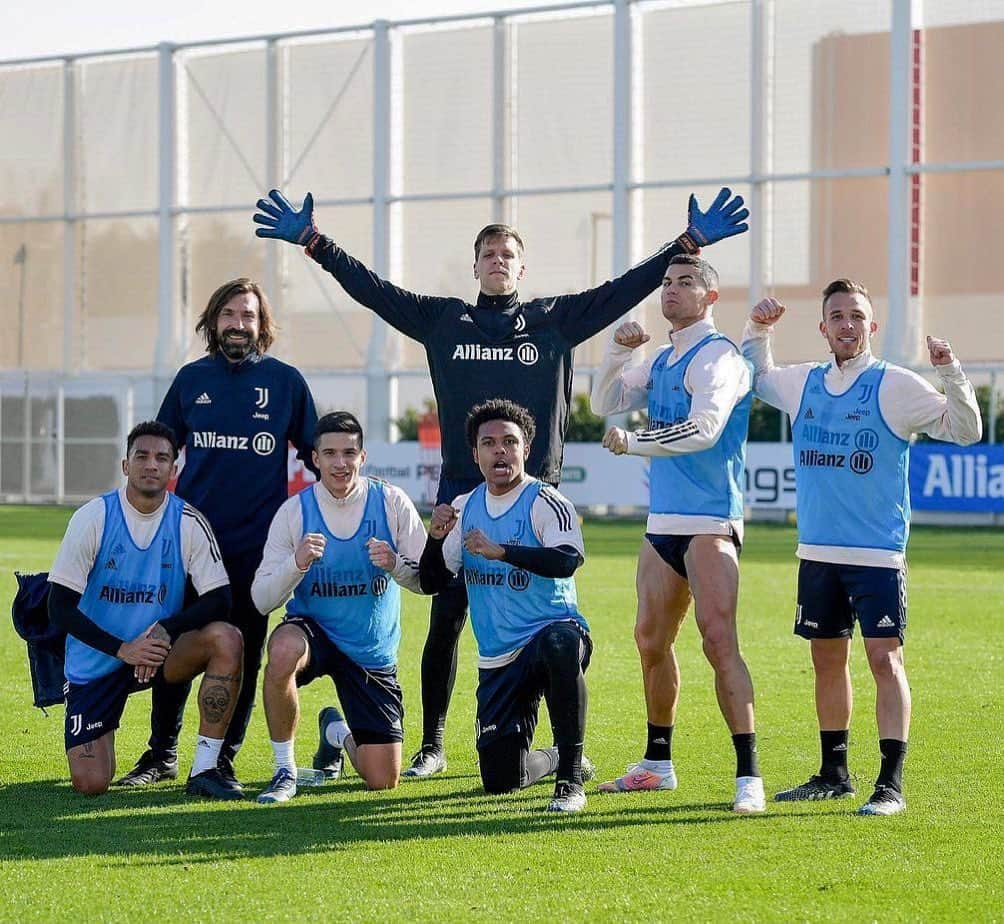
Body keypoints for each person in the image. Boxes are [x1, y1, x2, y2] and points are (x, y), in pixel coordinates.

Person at [253, 186, 748, 779]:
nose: (496, 259)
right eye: (487, 252)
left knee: (539, 622)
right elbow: (374, 291)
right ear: (476, 266)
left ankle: (536, 745)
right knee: (446, 618)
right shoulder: (443, 320)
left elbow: (624, 288)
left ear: (521, 266)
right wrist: (315, 242)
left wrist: (686, 244)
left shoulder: (553, 321)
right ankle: (433, 744)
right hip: (462, 500)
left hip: (534, 500)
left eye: (506, 252)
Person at [740, 280, 982, 816]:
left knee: (884, 659)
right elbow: (755, 378)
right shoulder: (805, 382)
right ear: (823, 327)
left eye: (856, 316)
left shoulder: (895, 385)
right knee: (827, 659)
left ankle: (890, 783)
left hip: (876, 554)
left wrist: (951, 372)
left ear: (871, 327)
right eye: (836, 316)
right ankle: (833, 773)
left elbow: (965, 431)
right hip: (818, 553)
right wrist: (758, 329)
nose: (847, 325)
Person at [117, 278, 318, 795]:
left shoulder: (285, 382)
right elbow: (157, 451)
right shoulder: (190, 381)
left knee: (245, 649)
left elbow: (319, 454)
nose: (238, 323)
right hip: (188, 545)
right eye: (228, 314)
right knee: (175, 642)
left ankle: (221, 757)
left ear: (262, 325)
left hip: (257, 546)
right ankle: (161, 752)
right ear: (213, 321)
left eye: (248, 315)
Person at [591, 253, 765, 814]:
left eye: (686, 282)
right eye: (667, 282)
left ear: (710, 298)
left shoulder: (720, 359)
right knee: (649, 642)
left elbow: (706, 430)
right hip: (662, 523)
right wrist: (617, 352)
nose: (671, 290)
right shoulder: (664, 358)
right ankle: (658, 764)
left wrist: (636, 442)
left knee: (719, 643)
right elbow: (603, 403)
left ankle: (748, 776)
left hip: (710, 521)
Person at [47, 421, 243, 798]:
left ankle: (204, 769)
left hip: (158, 654)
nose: (151, 465)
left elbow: (221, 599)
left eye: (161, 458)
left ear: (174, 468)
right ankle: (100, 731)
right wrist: (124, 648)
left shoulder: (188, 521)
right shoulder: (94, 517)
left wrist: (166, 629)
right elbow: (59, 606)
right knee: (92, 783)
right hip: (99, 661)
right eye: (142, 456)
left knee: (226, 638)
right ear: (125, 465)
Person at [419, 399, 592, 813]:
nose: (501, 451)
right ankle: (553, 759)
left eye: (510, 442)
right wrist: (435, 538)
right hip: (499, 658)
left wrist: (503, 552)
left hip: (551, 636)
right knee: (500, 781)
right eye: (489, 443)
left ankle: (569, 780)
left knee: (559, 642)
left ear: (526, 450)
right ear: (475, 454)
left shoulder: (546, 501)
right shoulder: (463, 508)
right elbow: (432, 581)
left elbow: (567, 560)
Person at [250, 412, 427, 802]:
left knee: (382, 778)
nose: (340, 463)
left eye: (349, 453)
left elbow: (427, 581)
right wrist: (296, 563)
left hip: (369, 649)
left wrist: (395, 564)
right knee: (281, 651)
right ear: (315, 458)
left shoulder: (392, 502)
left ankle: (337, 733)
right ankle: (285, 771)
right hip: (313, 632)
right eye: (330, 453)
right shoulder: (294, 512)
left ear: (363, 457)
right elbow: (262, 599)